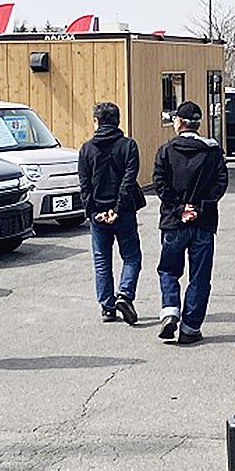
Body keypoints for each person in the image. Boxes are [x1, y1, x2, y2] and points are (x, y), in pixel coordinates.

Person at [152, 101, 229, 345]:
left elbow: (160, 184)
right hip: (203, 222)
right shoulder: (212, 151)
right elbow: (221, 183)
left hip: (174, 222)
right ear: (198, 124)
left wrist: (179, 209)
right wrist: (200, 207)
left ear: (179, 122)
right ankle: (190, 327)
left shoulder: (166, 150)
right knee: (200, 276)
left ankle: (170, 310)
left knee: (168, 269)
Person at [78, 101, 145, 325]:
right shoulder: (128, 146)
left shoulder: (87, 149)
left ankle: (107, 307)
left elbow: (84, 184)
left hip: (98, 213)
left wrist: (93, 211)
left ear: (96, 122)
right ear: (118, 121)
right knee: (132, 256)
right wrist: (117, 208)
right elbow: (128, 180)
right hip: (123, 212)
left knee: (102, 260)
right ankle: (124, 294)